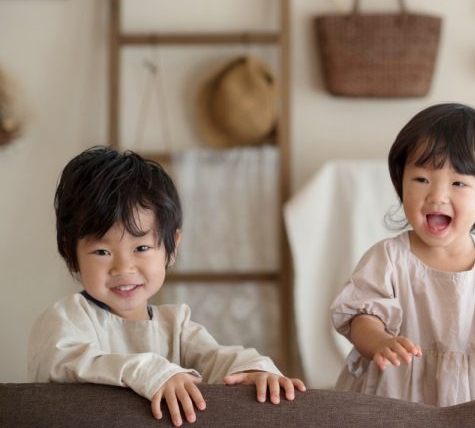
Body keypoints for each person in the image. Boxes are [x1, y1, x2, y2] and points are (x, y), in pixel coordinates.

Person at [28, 146, 305, 427]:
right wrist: (151, 371)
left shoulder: (176, 325)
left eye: (142, 247)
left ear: (171, 249)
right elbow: (59, 362)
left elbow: (217, 358)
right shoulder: (68, 318)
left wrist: (255, 370)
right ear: (70, 251)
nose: (124, 268)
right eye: (102, 252)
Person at [331, 102, 475, 406]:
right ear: (401, 184)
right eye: (421, 179)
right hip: (394, 392)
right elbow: (361, 318)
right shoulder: (389, 259)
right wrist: (380, 342)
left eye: (458, 183)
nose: (437, 196)